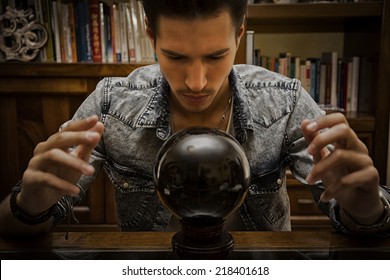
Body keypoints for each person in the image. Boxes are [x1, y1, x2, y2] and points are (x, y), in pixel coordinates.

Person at [0, 0, 389, 236]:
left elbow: (359, 216)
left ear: (239, 34)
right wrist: (28, 205)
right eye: (176, 56)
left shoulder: (284, 102)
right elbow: (18, 222)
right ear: (151, 37)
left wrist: (367, 208)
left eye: (217, 56)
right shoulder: (111, 103)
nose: (196, 82)